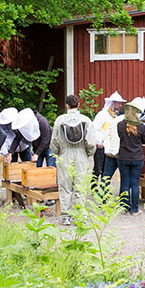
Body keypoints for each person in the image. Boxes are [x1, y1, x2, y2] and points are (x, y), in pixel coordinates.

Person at [51, 95, 96, 225]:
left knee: (65, 186)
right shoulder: (86, 120)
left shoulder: (60, 120)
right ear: (79, 104)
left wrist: (58, 152)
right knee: (81, 186)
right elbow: (91, 141)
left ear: (67, 105)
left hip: (65, 154)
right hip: (81, 154)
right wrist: (88, 153)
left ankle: (66, 216)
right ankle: (80, 215)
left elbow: (54, 140)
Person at [116, 101, 145, 215]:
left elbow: (120, 136)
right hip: (137, 157)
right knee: (135, 183)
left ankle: (125, 207)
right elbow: (144, 140)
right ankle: (134, 209)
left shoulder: (120, 125)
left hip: (123, 156)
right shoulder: (141, 126)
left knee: (125, 182)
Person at [0, 107, 31, 207]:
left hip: (24, 147)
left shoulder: (20, 124)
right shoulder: (4, 130)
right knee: (12, 172)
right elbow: (4, 143)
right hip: (12, 151)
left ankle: (29, 192)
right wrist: (7, 154)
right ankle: (14, 195)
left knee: (29, 168)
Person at [92, 91, 126, 183]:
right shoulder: (102, 115)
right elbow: (95, 129)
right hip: (101, 146)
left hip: (110, 146)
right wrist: (98, 142)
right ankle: (94, 187)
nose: (120, 105)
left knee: (106, 170)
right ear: (112, 103)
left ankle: (103, 190)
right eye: (118, 103)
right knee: (98, 169)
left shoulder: (116, 116)